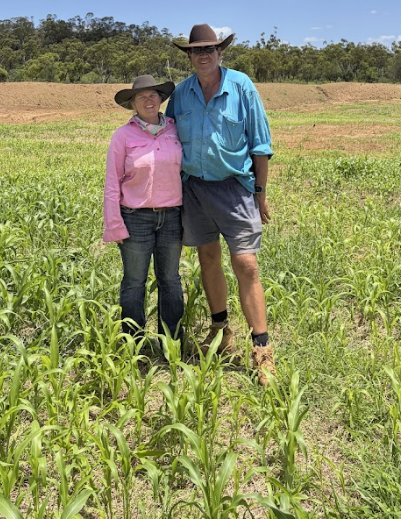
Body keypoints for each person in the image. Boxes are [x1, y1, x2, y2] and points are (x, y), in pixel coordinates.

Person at [166, 24, 276, 385]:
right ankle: (220, 331)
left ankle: (262, 350)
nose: (203, 55)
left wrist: (259, 193)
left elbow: (260, 144)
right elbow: (165, 140)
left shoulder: (242, 86)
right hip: (195, 189)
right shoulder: (181, 94)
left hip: (235, 188)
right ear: (190, 56)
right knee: (207, 257)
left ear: (220, 52)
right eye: (197, 50)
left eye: (209, 49)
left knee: (246, 264)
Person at [103, 75, 184, 343]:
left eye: (153, 95)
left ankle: (171, 342)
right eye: (141, 96)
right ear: (133, 104)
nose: (148, 100)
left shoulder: (175, 129)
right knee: (134, 282)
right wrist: (114, 224)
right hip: (135, 219)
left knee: (170, 281)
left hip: (172, 217)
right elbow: (113, 183)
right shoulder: (123, 136)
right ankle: (133, 343)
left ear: (161, 99)